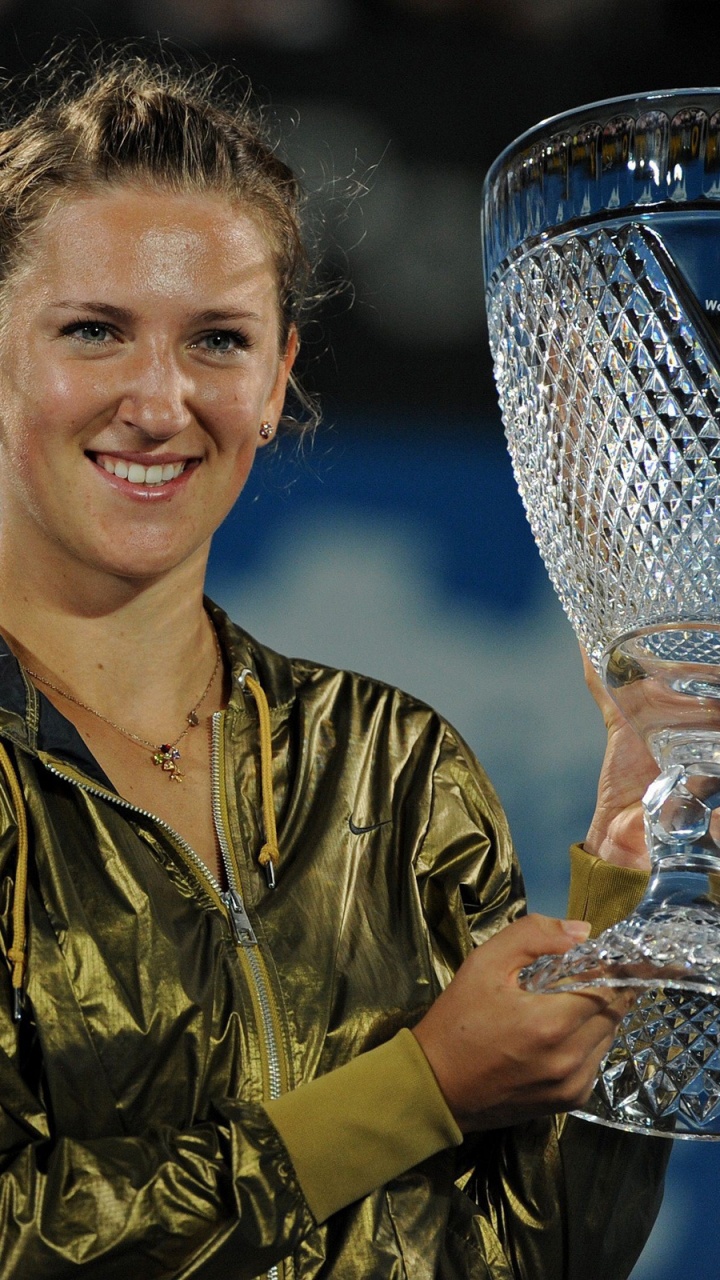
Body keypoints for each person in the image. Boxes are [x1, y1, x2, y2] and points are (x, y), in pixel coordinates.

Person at [0, 50, 668, 1280]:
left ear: (275, 384)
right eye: (94, 329)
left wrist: (636, 867)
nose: (159, 399)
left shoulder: (397, 765)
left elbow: (547, 1252)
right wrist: (414, 1089)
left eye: (217, 340)